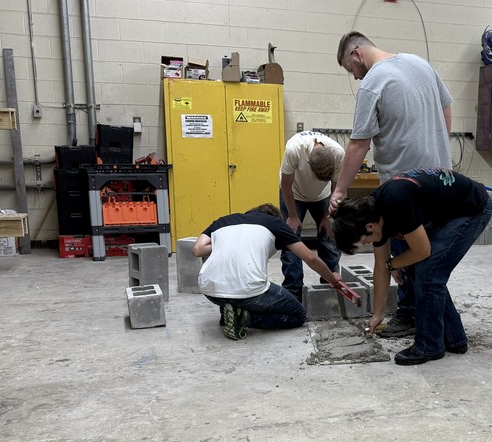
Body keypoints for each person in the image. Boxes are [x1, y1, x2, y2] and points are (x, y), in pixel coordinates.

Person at [329, 31, 453, 340]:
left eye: (349, 68)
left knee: (406, 257)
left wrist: (340, 190)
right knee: (427, 256)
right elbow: (446, 107)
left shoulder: (373, 82)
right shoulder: (420, 64)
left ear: (356, 54)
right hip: (439, 181)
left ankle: (412, 315)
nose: (354, 76)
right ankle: (433, 321)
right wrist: (441, 151)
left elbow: (359, 143)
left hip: (403, 187)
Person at [330, 168, 492, 367]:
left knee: (429, 271)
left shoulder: (397, 203)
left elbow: (422, 251)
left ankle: (429, 346)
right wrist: (378, 314)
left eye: (364, 240)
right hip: (448, 210)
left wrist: (393, 264)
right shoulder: (371, 212)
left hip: (471, 208)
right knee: (418, 268)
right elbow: (380, 266)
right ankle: (454, 339)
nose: (366, 243)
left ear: (370, 227)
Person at [192, 204, 357, 341]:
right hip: (249, 290)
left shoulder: (223, 221)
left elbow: (198, 249)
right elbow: (310, 258)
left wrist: (225, 243)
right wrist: (332, 277)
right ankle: (245, 318)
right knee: (298, 315)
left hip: (210, 290)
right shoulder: (275, 223)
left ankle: (229, 311)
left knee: (239, 293)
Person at [278, 130, 345, 302]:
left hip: (323, 196)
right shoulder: (294, 149)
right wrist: (293, 216)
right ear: (308, 162)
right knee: (291, 238)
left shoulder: (338, 153)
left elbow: (338, 189)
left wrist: (328, 216)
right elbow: (286, 184)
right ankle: (294, 291)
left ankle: (330, 283)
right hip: (294, 193)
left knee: (329, 236)